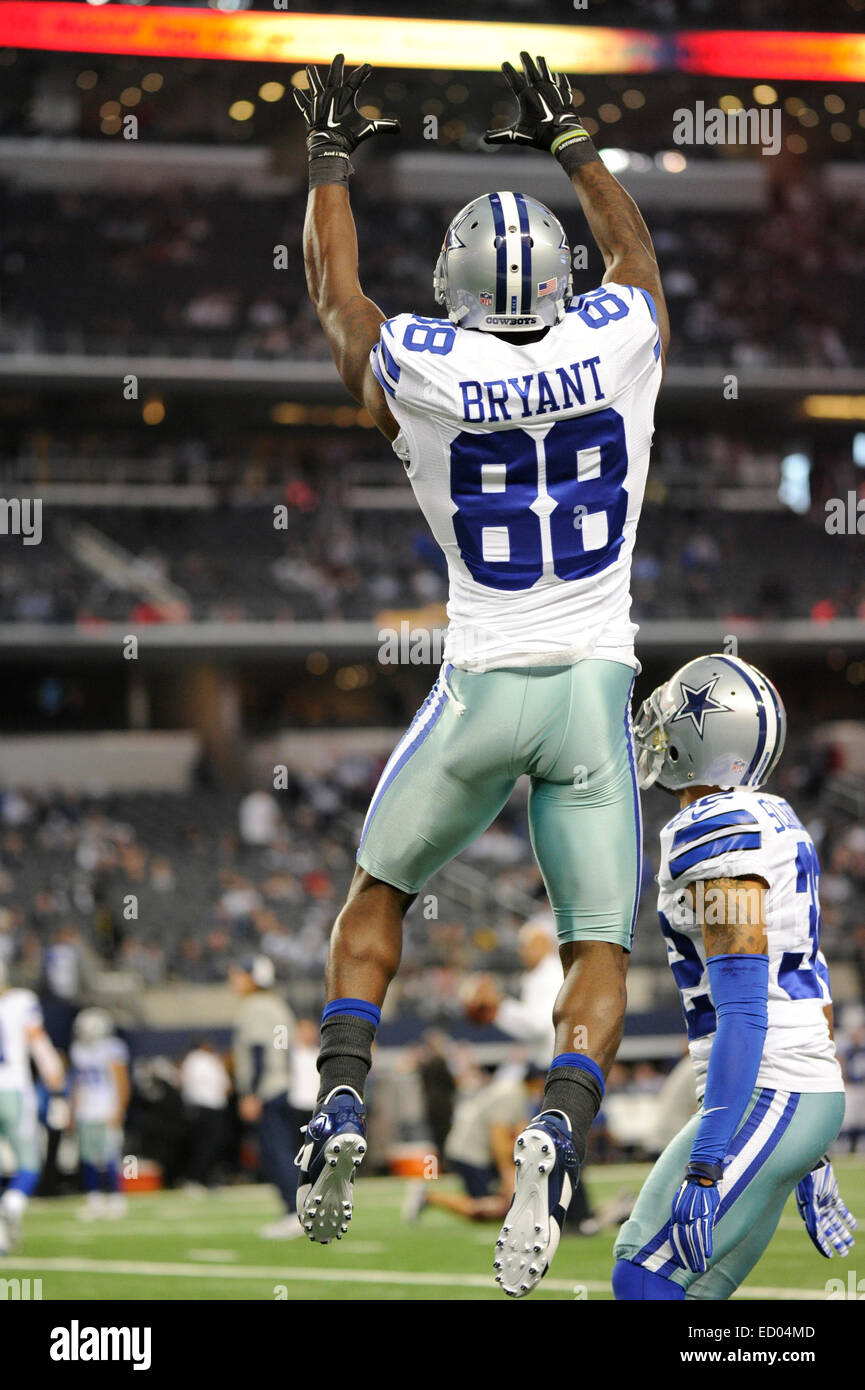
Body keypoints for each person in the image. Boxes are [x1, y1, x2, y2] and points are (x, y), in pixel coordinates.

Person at [292, 50, 668, 1295]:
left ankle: (342, 1098)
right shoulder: (617, 339)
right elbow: (639, 267)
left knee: (377, 895)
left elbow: (333, 295)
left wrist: (331, 164)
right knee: (595, 947)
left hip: (479, 685)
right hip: (591, 696)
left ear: (450, 288)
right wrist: (570, 141)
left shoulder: (429, 370)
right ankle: (555, 1135)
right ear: (560, 282)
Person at [613, 653, 855, 1300]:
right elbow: (811, 984)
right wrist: (809, 1154)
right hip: (796, 1090)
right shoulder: (769, 815)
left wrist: (705, 1164)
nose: (656, 732)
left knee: (642, 1278)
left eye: (671, 719)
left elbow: (745, 1007)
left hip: (770, 1090)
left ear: (706, 735)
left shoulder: (714, 830)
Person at [405, 1065, 546, 1225]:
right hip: (472, 1153)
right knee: (488, 1208)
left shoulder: (515, 1093)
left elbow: (518, 1135)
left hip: (473, 1150)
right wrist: (508, 1175)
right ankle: (428, 1196)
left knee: (501, 1205)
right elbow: (498, 1139)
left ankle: (428, 1197)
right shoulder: (513, 1095)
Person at [230, 955, 301, 1238]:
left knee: (276, 1153)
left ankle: (294, 1212)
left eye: (239, 974)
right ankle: (294, 1210)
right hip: (283, 1085)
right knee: (281, 1150)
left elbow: (258, 1052)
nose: (234, 981)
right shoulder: (277, 1005)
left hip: (268, 1088)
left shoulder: (255, 1007)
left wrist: (250, 1093)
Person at [0, 959, 64, 1253]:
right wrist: (55, 1076)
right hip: (13, 1091)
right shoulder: (21, 1001)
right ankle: (11, 1204)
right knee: (29, 1161)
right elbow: (38, 1042)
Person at [70, 1007, 130, 1220]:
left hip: (106, 1108)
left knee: (112, 1156)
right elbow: (77, 1084)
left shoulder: (112, 1048)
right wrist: (73, 1111)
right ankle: (94, 1199)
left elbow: (122, 1082)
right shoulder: (78, 1049)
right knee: (88, 1157)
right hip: (87, 1110)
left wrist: (119, 1110)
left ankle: (117, 1198)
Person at [180, 1039, 230, 1190]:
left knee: (205, 1145)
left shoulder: (193, 1060)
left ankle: (201, 1178)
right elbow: (225, 1085)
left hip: (201, 1107)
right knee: (206, 1145)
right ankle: (197, 1178)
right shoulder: (204, 1059)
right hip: (208, 1107)